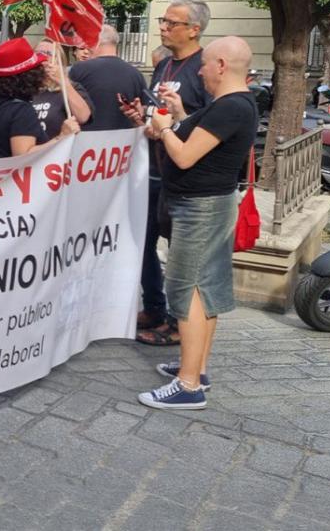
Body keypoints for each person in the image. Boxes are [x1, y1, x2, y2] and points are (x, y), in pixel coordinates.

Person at [135, 37, 258, 409]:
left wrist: (165, 127)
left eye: (204, 64)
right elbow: (204, 140)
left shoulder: (230, 106)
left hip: (200, 208)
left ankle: (187, 385)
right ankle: (196, 368)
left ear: (221, 65)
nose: (200, 71)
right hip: (209, 204)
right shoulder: (234, 104)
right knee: (207, 288)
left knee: (187, 290)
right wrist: (181, 114)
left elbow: (186, 156)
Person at [126, 0, 212, 346]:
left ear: (194, 29)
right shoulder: (164, 65)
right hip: (155, 171)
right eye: (162, 20)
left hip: (187, 179)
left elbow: (210, 120)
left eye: (171, 22)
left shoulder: (205, 69)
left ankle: (180, 324)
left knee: (181, 255)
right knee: (144, 244)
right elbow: (156, 111)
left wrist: (174, 121)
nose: (162, 27)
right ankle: (156, 308)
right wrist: (143, 118)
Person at [0, 37, 80, 158]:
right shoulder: (21, 111)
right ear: (30, 75)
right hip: (16, 175)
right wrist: (62, 136)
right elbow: (24, 156)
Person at [69, 24, 149, 131]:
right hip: (123, 143)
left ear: (94, 41)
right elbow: (143, 112)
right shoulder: (136, 74)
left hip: (86, 140)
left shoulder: (79, 69)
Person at [32, 38, 93, 141]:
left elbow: (83, 117)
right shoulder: (25, 88)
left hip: (56, 153)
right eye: (38, 53)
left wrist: (63, 81)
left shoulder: (70, 88)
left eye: (48, 53)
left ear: (59, 60)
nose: (43, 57)